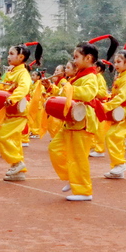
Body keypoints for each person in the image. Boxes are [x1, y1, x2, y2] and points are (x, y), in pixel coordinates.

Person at [49, 41, 100, 201]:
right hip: (71, 120)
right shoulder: (79, 75)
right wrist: (52, 89)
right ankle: (73, 178)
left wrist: (67, 86)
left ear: (88, 58)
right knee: (55, 148)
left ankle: (84, 191)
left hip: (83, 120)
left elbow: (88, 94)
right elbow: (66, 94)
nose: (74, 60)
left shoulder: (91, 77)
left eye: (76, 57)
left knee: (79, 157)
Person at [0, 43, 35, 181]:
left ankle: (18, 163)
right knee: (14, 140)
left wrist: (12, 98)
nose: (8, 56)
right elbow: (4, 87)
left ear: (21, 57)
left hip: (19, 111)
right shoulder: (11, 71)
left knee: (3, 136)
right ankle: (18, 170)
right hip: (11, 110)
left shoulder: (23, 73)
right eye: (8, 54)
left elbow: (24, 88)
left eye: (11, 54)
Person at [102, 48, 126, 179]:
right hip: (119, 111)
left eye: (119, 61)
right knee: (117, 138)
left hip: (125, 111)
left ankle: (120, 164)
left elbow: (122, 97)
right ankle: (118, 168)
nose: (116, 64)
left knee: (112, 136)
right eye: (115, 62)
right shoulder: (121, 76)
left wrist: (106, 106)